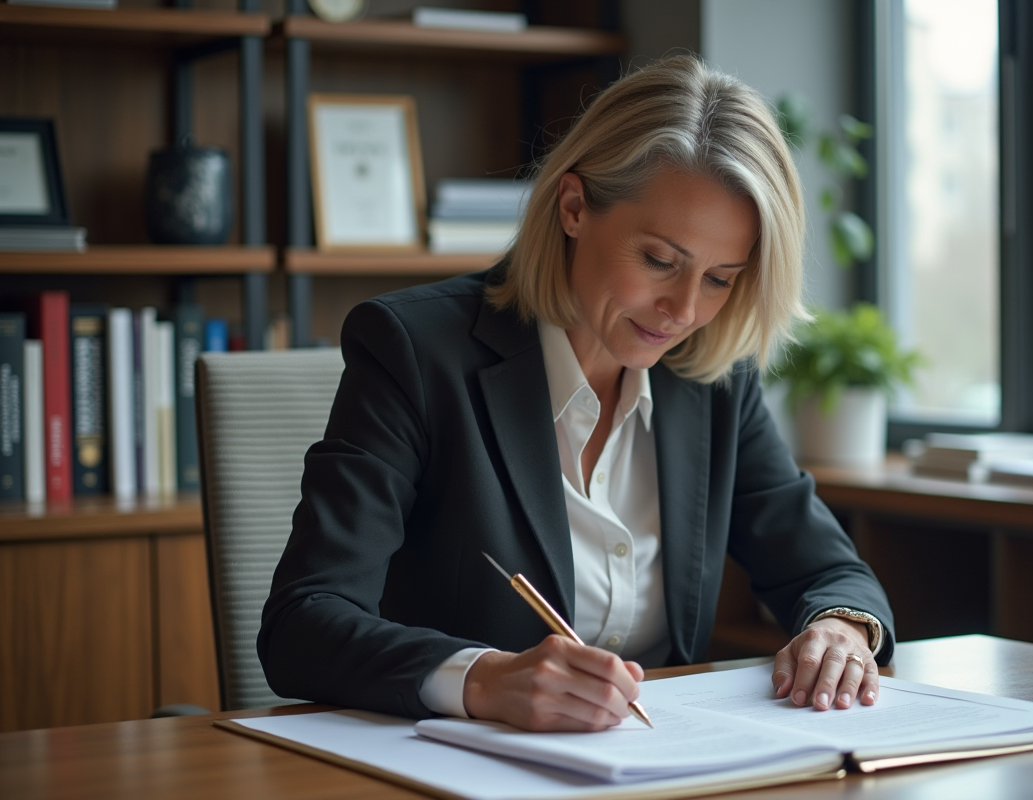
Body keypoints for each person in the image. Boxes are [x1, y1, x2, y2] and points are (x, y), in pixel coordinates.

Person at [259, 55, 894, 733]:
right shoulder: (413, 351)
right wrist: (480, 678)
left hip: (663, 769)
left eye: (721, 279)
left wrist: (841, 630)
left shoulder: (712, 377)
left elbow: (829, 571)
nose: (683, 309)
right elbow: (304, 621)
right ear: (572, 207)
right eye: (659, 260)